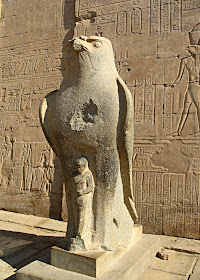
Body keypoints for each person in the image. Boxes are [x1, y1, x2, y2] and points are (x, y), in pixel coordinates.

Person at [166, 23, 200, 135]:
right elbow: (179, 77)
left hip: (195, 87)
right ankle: (178, 131)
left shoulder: (197, 62)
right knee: (186, 108)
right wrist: (172, 84)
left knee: (197, 107)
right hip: (190, 86)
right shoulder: (185, 60)